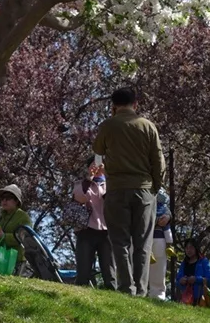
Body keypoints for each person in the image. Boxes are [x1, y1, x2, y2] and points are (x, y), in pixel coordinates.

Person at [93, 87, 165, 297]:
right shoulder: (147, 126)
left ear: (113, 106)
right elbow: (158, 160)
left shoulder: (108, 125)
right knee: (143, 243)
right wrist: (154, 187)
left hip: (117, 188)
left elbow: (98, 150)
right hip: (144, 188)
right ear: (136, 104)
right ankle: (141, 290)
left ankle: (126, 287)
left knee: (120, 241)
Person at [72, 157, 116, 289]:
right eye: (93, 164)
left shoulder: (111, 184)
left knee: (109, 269)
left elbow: (114, 201)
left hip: (107, 231)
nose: (97, 167)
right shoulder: (81, 183)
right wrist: (89, 179)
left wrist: (108, 176)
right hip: (86, 230)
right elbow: (80, 197)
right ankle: (80, 293)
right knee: (83, 269)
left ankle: (112, 293)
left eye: (100, 165)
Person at [0, 184, 33, 275]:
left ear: (16, 201)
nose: (4, 200)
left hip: (14, 261)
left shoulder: (24, 217)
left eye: (8, 197)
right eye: (2, 198)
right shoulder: (1, 216)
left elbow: (25, 239)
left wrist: (3, 236)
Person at [148, 188, 174, 300]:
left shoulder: (159, 191)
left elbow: (166, 209)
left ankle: (158, 295)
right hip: (142, 237)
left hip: (159, 237)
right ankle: (138, 291)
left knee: (158, 268)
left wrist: (168, 216)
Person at [175, 238, 210, 306]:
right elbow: (177, 280)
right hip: (186, 299)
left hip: (201, 300)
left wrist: (196, 279)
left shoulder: (204, 261)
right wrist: (181, 281)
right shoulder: (184, 263)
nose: (188, 250)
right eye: (186, 248)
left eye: (191, 247)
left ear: (196, 248)